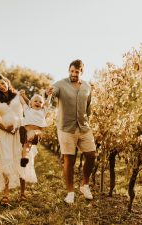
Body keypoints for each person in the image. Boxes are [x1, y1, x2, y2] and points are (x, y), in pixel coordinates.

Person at [46, 59, 96, 204]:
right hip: (66, 128)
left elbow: (88, 107)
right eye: (72, 71)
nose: (74, 74)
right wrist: (47, 93)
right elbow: (52, 92)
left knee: (91, 155)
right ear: (69, 70)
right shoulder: (60, 84)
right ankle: (70, 192)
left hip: (84, 127)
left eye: (77, 71)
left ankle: (84, 185)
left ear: (82, 72)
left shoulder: (87, 86)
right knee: (69, 160)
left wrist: (87, 120)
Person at [0, 75, 37, 205]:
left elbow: (30, 107)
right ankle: (6, 195)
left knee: (21, 160)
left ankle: (22, 193)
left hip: (20, 133)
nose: (1, 86)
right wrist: (6, 128)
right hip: (6, 135)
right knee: (6, 161)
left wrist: (25, 96)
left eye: (2, 83)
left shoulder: (18, 95)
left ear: (7, 82)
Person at [18, 91, 52, 167]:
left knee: (31, 135)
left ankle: (31, 136)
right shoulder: (27, 109)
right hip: (27, 131)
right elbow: (23, 103)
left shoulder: (43, 111)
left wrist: (49, 96)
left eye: (40, 102)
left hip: (38, 132)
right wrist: (20, 95)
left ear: (42, 105)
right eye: (35, 101)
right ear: (31, 103)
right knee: (27, 145)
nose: (38, 103)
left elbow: (47, 103)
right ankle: (24, 158)